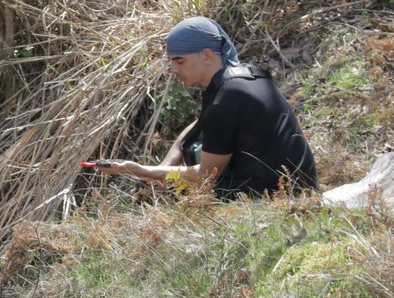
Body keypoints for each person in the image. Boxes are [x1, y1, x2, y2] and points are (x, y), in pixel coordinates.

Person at [95, 16, 317, 199]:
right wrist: (169, 161)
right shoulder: (247, 77)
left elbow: (205, 176)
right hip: (304, 188)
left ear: (206, 55)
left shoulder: (224, 102)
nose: (173, 69)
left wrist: (141, 170)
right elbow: (201, 122)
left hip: (273, 200)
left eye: (179, 61)